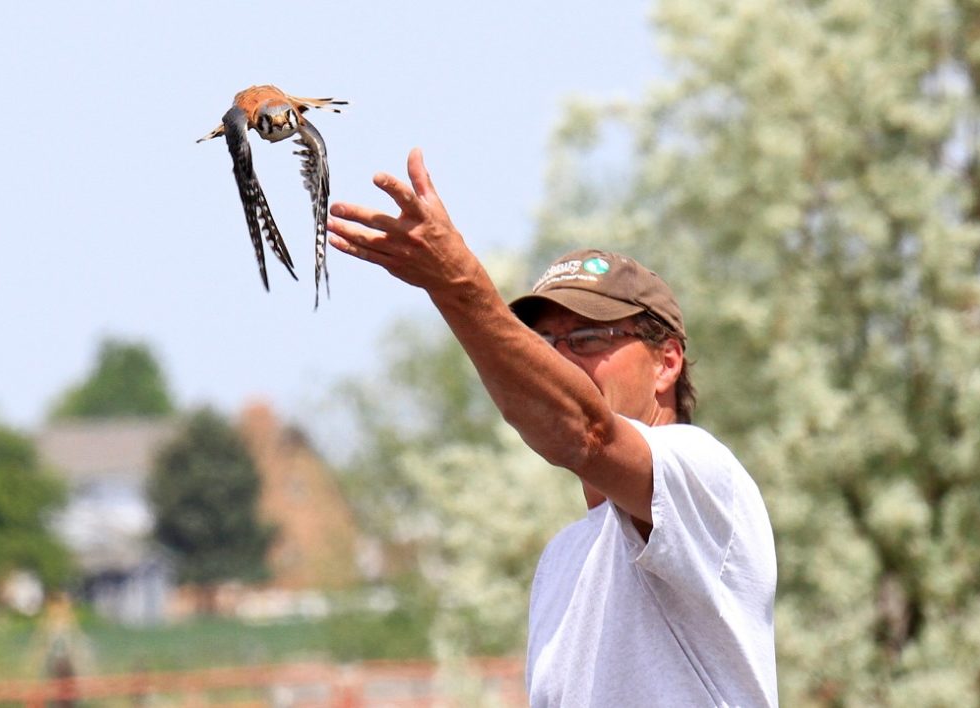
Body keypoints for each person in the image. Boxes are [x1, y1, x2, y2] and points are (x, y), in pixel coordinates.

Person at [327, 148, 777, 706]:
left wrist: (457, 284)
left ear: (667, 362)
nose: (563, 361)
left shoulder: (702, 476)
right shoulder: (565, 558)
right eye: (548, 346)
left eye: (589, 340)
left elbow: (587, 434)